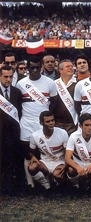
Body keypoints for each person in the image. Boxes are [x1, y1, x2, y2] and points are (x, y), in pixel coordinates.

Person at [16, 56, 58, 188]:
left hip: (43, 124)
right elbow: (18, 105)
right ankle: (30, 184)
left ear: (41, 67)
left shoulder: (50, 83)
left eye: (37, 67)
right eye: (32, 67)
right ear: (28, 69)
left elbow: (54, 103)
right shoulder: (21, 83)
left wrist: (45, 119)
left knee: (45, 152)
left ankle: (47, 181)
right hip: (26, 123)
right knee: (27, 153)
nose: (35, 70)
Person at [28, 111, 68, 191]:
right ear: (41, 123)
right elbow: (30, 151)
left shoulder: (63, 133)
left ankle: (57, 183)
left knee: (57, 175)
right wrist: (32, 157)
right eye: (48, 121)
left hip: (59, 162)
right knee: (32, 167)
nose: (51, 123)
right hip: (45, 162)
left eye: (52, 120)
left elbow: (68, 152)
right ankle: (45, 184)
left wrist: (66, 165)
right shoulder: (35, 136)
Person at [0, 65, 23, 194]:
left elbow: (19, 111)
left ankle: (10, 187)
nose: (8, 79)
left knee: (11, 159)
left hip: (13, 133)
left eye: (10, 77)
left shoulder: (16, 92)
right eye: (5, 77)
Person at [65, 113, 91, 190]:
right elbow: (67, 158)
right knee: (71, 170)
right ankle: (75, 185)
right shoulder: (73, 136)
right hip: (78, 163)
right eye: (86, 125)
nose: (90, 128)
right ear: (80, 126)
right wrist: (77, 167)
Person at [53, 59, 78, 135]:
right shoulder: (54, 84)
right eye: (67, 66)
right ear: (60, 70)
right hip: (57, 123)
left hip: (73, 124)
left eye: (71, 66)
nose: (70, 68)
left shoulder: (78, 83)